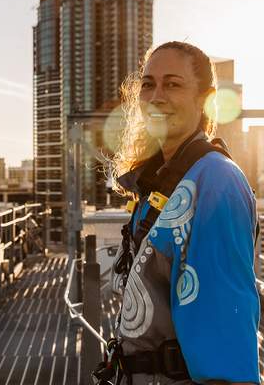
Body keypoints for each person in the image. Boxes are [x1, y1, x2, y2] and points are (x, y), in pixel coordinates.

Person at [105, 41, 260, 385]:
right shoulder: (159, 180)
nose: (156, 96)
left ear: (204, 100)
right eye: (148, 84)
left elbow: (226, 324)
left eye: (173, 84)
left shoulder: (215, 182)